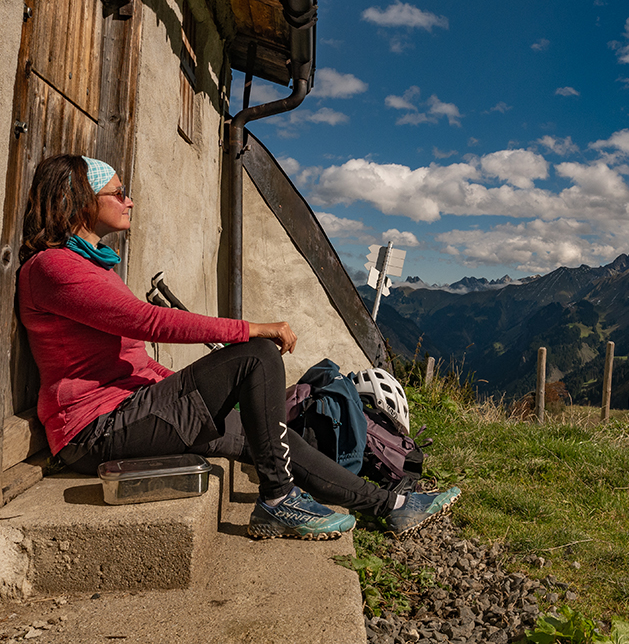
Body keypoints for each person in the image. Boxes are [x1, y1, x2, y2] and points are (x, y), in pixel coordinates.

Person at [16, 154, 459, 539]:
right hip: (95, 430)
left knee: (267, 433)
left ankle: (390, 507)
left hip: (132, 409)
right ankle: (278, 499)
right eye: (118, 192)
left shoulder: (92, 268)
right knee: (257, 355)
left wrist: (192, 392)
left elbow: (133, 360)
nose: (129, 199)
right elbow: (148, 321)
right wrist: (250, 329)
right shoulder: (54, 268)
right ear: (79, 201)